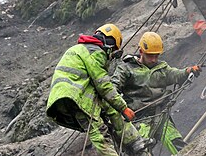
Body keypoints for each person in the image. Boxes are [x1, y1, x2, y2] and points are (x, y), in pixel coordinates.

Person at [46, 24, 149, 156]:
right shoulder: (95, 52)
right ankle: (136, 144)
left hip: (62, 100)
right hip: (77, 98)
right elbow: (104, 86)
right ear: (110, 45)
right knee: (101, 136)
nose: (111, 57)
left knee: (108, 115)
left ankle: (133, 143)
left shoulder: (79, 49)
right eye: (113, 53)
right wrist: (124, 108)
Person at [111, 31, 201, 155]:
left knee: (179, 145)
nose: (154, 59)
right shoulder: (126, 68)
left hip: (160, 115)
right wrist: (122, 108)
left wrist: (187, 71)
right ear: (141, 51)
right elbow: (112, 88)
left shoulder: (161, 68)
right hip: (139, 120)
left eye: (156, 56)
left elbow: (175, 74)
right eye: (150, 56)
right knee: (140, 151)